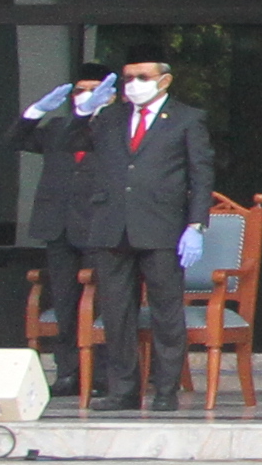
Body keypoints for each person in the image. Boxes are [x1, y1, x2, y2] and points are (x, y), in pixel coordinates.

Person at [82, 45, 219, 412]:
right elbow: (78, 146)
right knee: (116, 312)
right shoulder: (110, 118)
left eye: (143, 77)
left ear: (165, 80)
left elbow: (201, 175)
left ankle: (165, 390)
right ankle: (123, 389)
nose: (134, 85)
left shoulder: (187, 119)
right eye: (128, 78)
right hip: (113, 227)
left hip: (161, 228)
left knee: (166, 311)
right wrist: (86, 111)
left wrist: (196, 224)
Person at [14, 60, 118, 380]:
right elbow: (14, 140)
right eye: (79, 91)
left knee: (101, 303)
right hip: (57, 224)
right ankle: (69, 372)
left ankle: (101, 375)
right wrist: (35, 111)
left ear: (111, 96)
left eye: (92, 91)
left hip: (97, 226)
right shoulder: (58, 128)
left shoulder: (118, 127)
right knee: (64, 300)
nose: (83, 96)